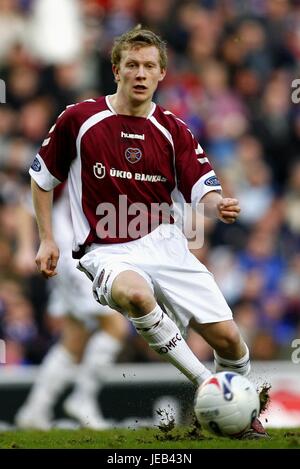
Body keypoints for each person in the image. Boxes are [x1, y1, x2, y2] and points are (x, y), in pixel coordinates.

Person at [28, 25, 267, 438]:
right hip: (104, 249)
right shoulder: (80, 119)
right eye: (132, 65)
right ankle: (205, 385)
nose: (140, 73)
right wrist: (47, 237)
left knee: (229, 340)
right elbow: (42, 178)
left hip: (166, 244)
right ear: (116, 70)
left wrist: (218, 204)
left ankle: (240, 412)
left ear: (161, 75)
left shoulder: (173, 129)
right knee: (134, 294)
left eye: (149, 66)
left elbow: (201, 187)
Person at [14, 184, 128, 429]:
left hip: (82, 253)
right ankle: (82, 398)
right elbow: (26, 204)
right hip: (70, 257)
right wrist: (24, 247)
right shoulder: (71, 156)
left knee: (75, 336)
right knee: (115, 326)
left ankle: (35, 410)